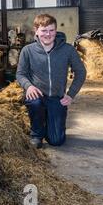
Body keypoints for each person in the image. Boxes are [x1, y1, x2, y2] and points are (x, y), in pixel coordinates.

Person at [16, 14, 86, 148]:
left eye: (51, 30)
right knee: (35, 103)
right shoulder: (28, 50)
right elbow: (20, 74)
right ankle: (36, 134)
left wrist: (71, 94)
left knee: (56, 141)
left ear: (56, 30)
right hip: (37, 95)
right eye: (44, 30)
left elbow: (81, 72)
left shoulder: (68, 50)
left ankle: (50, 122)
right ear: (36, 30)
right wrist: (28, 86)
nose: (48, 34)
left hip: (56, 97)